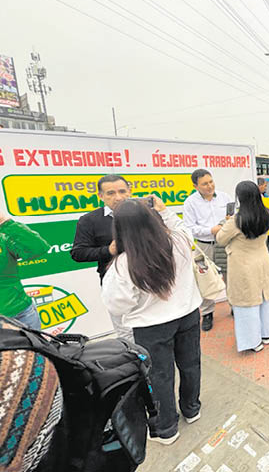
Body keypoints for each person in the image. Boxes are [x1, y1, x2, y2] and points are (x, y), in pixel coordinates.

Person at [101, 195, 202, 445]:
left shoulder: (123, 264)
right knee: (191, 365)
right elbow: (182, 229)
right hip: (188, 315)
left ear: (120, 229)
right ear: (152, 218)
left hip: (151, 327)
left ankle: (167, 428)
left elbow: (117, 305)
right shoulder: (177, 242)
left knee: (159, 376)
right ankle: (192, 409)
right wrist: (165, 210)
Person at [216, 180, 269, 351]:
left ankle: (253, 342)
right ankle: (267, 333)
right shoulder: (267, 214)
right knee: (265, 297)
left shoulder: (236, 220)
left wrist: (224, 224)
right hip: (263, 260)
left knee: (246, 303)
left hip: (243, 265)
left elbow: (220, 239)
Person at [71, 174, 134, 340]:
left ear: (130, 192)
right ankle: (138, 363)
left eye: (122, 191)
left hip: (148, 281)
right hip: (116, 285)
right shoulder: (88, 220)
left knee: (152, 329)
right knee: (126, 333)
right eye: (110, 193)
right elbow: (78, 253)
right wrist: (108, 250)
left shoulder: (144, 214)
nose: (118, 197)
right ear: (100, 196)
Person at [182, 169, 233, 332]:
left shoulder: (224, 197)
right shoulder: (190, 203)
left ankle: (235, 306)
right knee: (205, 279)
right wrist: (211, 230)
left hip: (225, 244)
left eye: (211, 181)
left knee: (230, 276)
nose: (209, 186)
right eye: (205, 184)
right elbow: (189, 228)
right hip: (204, 246)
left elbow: (233, 217)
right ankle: (208, 313)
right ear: (195, 186)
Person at [0, 212, 49, 328]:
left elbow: (37, 248)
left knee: (36, 346)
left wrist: (5, 223)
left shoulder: (3, 236)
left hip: (21, 312)